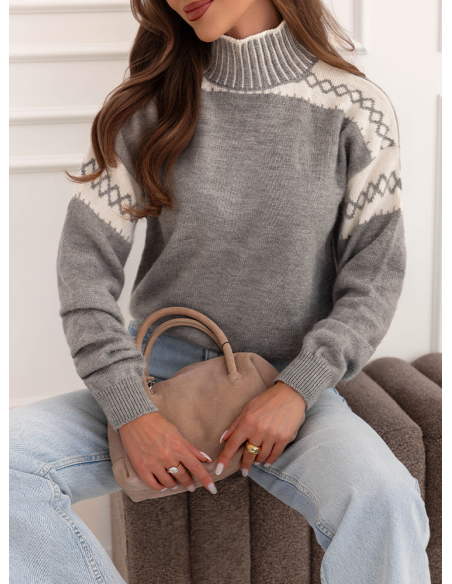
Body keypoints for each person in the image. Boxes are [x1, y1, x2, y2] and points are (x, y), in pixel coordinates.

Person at [10, 0, 431, 582]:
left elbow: (375, 279)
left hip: (286, 384)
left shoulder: (355, 108)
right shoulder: (146, 107)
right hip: (161, 382)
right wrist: (133, 410)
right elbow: (83, 274)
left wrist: (296, 389)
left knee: (385, 500)